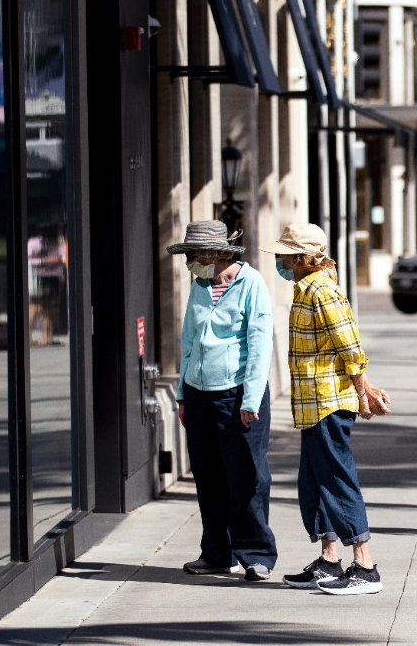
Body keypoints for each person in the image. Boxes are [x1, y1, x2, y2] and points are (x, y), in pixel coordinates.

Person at [262, 223, 392, 596]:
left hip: (328, 404)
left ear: (303, 258)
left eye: (286, 256)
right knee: (314, 483)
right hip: (311, 405)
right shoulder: (305, 290)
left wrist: (362, 392)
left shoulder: (322, 291)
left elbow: (350, 346)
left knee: (336, 479)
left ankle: (365, 567)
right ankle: (329, 560)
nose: (281, 262)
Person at [168, 220, 278, 582]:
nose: (190, 262)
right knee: (208, 475)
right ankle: (216, 553)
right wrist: (183, 394)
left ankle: (256, 554)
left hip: (238, 394)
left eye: (195, 255)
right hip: (199, 394)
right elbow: (188, 341)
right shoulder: (200, 286)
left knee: (246, 475)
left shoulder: (251, 284)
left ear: (217, 254)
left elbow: (260, 344)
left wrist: (251, 400)